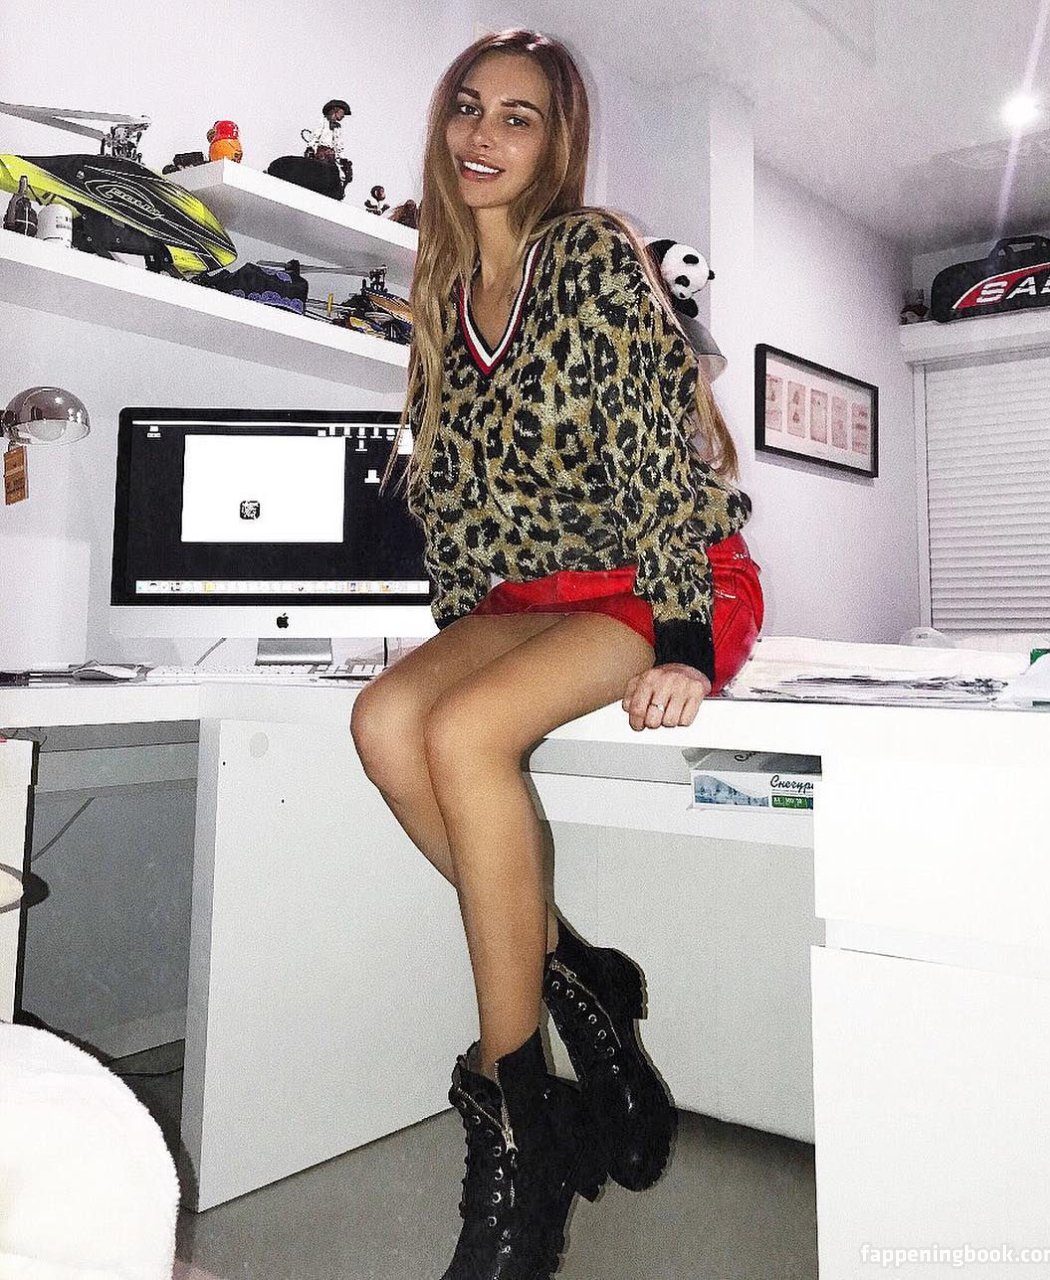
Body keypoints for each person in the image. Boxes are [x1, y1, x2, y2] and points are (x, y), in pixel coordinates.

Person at [350, 27, 764, 1280]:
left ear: (554, 142)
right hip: (528, 595)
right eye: (468, 107)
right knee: (386, 723)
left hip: (659, 569)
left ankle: (519, 1119)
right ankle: (581, 975)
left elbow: (652, 448)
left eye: (517, 117)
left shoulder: (586, 253)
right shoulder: (439, 293)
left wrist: (683, 638)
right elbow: (456, 499)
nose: (483, 134)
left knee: (465, 733)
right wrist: (454, 634)